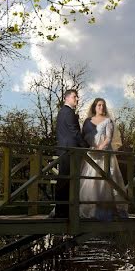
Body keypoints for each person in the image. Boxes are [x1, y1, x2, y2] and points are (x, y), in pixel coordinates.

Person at [79, 98, 128, 220]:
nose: (101, 107)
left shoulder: (108, 121)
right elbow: (83, 137)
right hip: (91, 155)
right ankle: (90, 208)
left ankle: (107, 209)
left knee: (106, 180)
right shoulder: (87, 121)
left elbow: (108, 138)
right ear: (94, 107)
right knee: (90, 181)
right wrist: (90, 149)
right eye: (99, 105)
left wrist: (100, 149)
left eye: (103, 105)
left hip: (104, 154)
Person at [49, 89, 84, 218]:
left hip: (65, 150)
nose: (77, 99)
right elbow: (74, 132)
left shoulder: (64, 112)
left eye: (77, 97)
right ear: (67, 98)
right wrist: (86, 146)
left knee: (65, 179)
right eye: (75, 97)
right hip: (68, 150)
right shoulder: (68, 112)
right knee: (65, 180)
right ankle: (62, 211)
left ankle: (62, 210)